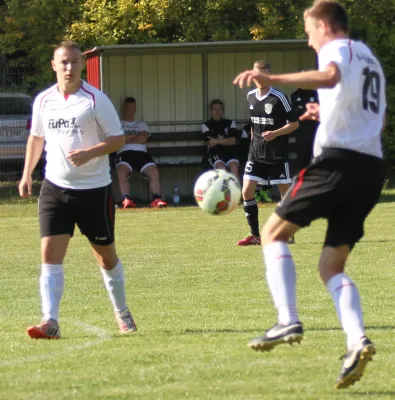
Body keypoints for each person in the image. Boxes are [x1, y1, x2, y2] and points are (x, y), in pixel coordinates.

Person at [233, 0, 386, 389]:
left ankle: (287, 319)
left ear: (324, 26)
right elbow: (376, 116)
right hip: (370, 170)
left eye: (308, 30)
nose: (308, 39)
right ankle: (357, 341)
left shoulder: (336, 49)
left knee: (272, 234)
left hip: (337, 162)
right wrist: (329, 113)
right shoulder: (369, 58)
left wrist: (272, 80)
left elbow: (331, 75)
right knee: (331, 268)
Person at [18, 40, 137, 339]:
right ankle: (50, 320)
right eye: (63, 62)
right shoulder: (44, 100)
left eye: (74, 61)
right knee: (49, 253)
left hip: (94, 191)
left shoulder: (95, 100)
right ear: (53, 65)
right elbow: (36, 139)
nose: (69, 67)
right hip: (55, 188)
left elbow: (117, 138)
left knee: (106, 257)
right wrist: (26, 174)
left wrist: (90, 153)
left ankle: (122, 312)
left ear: (81, 64)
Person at [237, 60, 299, 246]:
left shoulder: (279, 97)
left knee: (284, 193)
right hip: (256, 152)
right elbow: (253, 126)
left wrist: (275, 133)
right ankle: (255, 234)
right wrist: (252, 143)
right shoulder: (250, 96)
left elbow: (294, 124)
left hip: (276, 152)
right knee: (247, 191)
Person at [116, 97, 167, 208]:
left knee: (154, 172)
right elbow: (119, 140)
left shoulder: (141, 124)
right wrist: (135, 136)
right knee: (121, 172)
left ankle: (157, 199)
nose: (130, 111)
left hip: (142, 154)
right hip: (124, 154)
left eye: (133, 108)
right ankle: (126, 199)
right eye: (128, 108)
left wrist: (127, 138)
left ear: (136, 109)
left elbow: (143, 139)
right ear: (124, 108)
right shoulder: (118, 124)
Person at [201, 99, 240, 178]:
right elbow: (211, 143)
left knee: (234, 168)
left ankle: (237, 190)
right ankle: (225, 190)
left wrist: (217, 141)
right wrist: (225, 140)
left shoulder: (230, 123)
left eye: (219, 109)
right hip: (215, 154)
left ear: (222, 110)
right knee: (222, 169)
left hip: (230, 153)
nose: (217, 112)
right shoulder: (205, 125)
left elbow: (233, 141)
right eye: (214, 109)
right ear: (211, 110)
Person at [290, 85, 319, 173]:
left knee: (316, 157)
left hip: (315, 131)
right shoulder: (295, 95)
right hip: (301, 131)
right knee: (301, 159)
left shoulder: (317, 93)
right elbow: (297, 113)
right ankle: (301, 180)